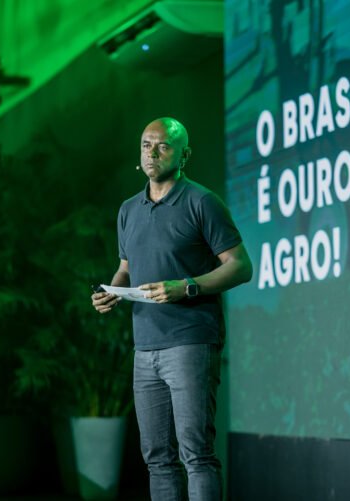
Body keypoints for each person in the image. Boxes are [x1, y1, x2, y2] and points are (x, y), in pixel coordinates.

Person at [91, 117, 252, 500]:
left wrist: (188, 286)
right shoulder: (129, 209)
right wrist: (113, 290)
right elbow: (127, 267)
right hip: (144, 347)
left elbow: (241, 266)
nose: (152, 152)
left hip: (190, 342)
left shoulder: (202, 202)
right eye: (146, 145)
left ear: (184, 154)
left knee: (196, 453)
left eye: (163, 145)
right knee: (158, 458)